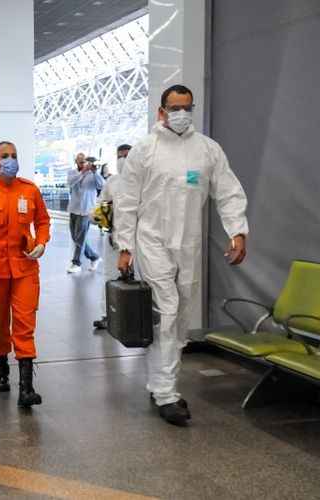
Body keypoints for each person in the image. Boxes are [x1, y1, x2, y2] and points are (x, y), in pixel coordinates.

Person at [115, 84, 249, 426]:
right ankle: (167, 393)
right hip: (152, 240)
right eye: (174, 107)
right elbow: (127, 201)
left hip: (188, 244)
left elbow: (229, 191)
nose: (181, 114)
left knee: (181, 315)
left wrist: (238, 231)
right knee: (167, 312)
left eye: (187, 107)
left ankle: (160, 380)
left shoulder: (207, 150)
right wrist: (125, 246)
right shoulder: (145, 149)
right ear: (161, 111)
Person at [0, 141, 50, 407]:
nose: (10, 160)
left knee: (24, 324)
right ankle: (2, 370)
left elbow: (42, 221)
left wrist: (41, 243)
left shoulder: (29, 190)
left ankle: (27, 387)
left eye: (14, 155)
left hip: (24, 268)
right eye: (4, 156)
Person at [92, 144, 131, 330]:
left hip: (140, 241)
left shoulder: (144, 181)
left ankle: (141, 315)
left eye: (127, 155)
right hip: (114, 237)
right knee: (109, 276)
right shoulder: (112, 182)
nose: (123, 159)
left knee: (143, 277)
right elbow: (100, 204)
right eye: (120, 156)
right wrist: (100, 215)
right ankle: (108, 315)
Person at [67, 153, 104, 273]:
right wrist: (82, 172)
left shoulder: (93, 174)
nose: (82, 164)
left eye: (84, 162)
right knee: (75, 237)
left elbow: (101, 185)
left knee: (80, 238)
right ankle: (94, 257)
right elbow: (71, 183)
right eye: (80, 161)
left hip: (86, 211)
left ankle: (76, 263)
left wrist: (95, 172)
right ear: (76, 162)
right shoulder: (72, 173)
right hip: (74, 209)